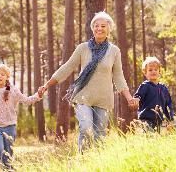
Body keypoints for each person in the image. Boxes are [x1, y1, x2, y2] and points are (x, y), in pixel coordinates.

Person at [38, 11, 137, 152]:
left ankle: (96, 162)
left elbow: (119, 77)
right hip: (83, 96)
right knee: (85, 128)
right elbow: (67, 67)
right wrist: (47, 85)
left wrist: (129, 98)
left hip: (103, 99)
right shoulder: (83, 48)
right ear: (92, 28)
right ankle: (83, 160)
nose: (99, 28)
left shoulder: (114, 51)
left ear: (109, 29)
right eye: (96, 25)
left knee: (100, 134)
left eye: (103, 26)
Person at [133, 57, 174, 133]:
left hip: (160, 121)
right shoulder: (145, 85)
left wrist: (170, 119)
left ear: (159, 72)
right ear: (145, 73)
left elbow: (168, 105)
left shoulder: (163, 88)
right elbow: (139, 95)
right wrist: (136, 99)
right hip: (146, 119)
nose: (153, 72)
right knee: (149, 137)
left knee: (159, 139)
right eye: (150, 70)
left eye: (156, 69)